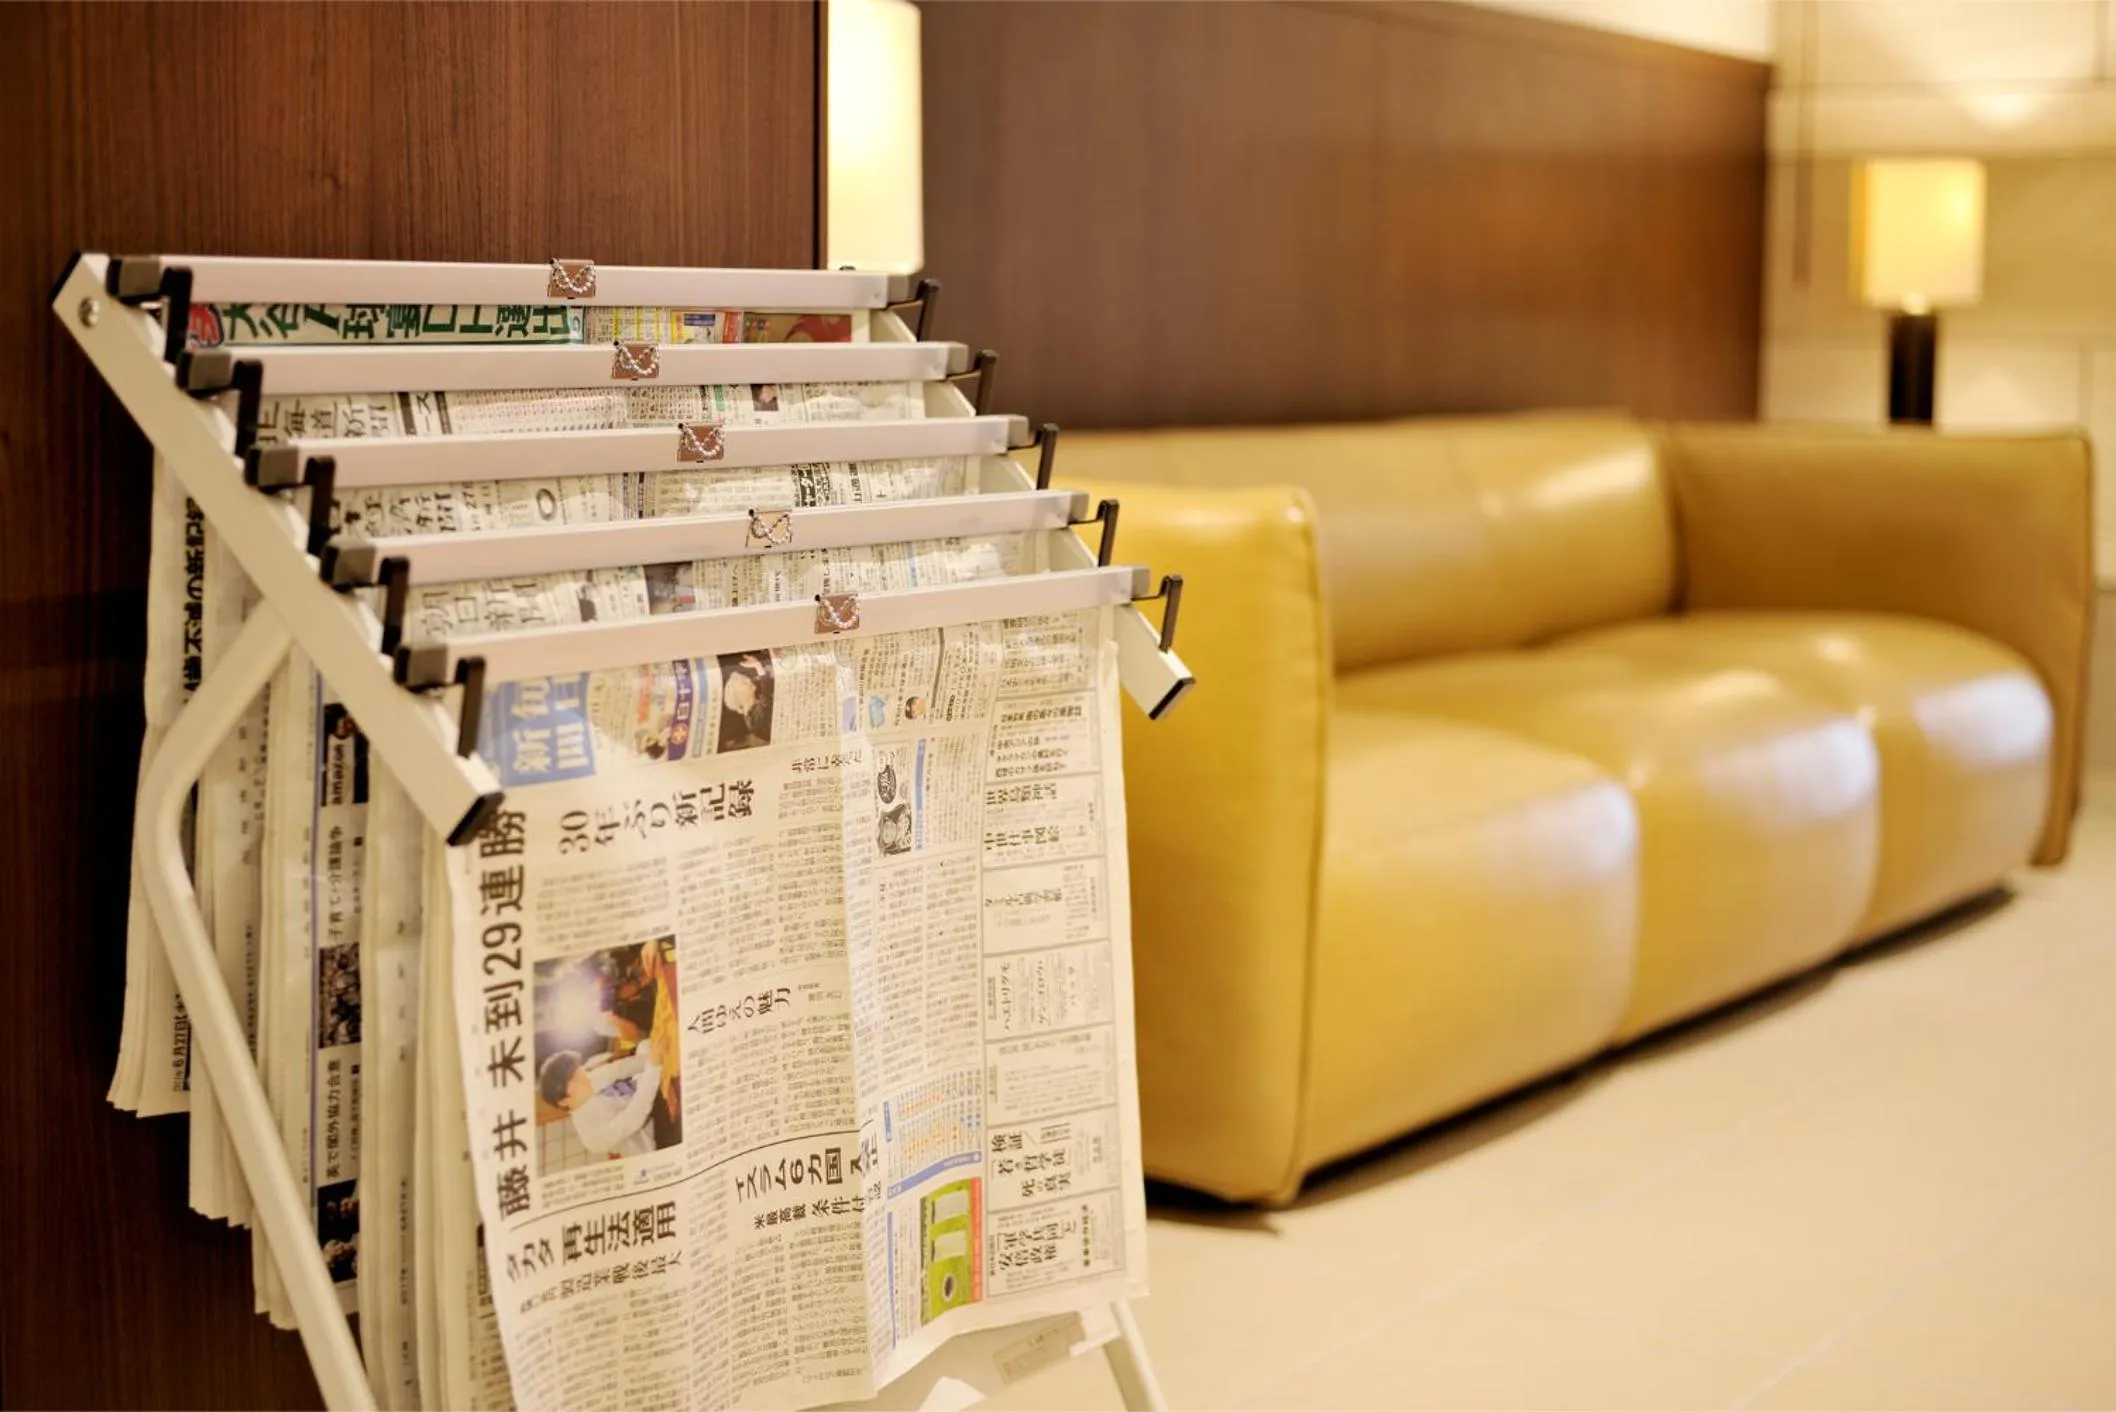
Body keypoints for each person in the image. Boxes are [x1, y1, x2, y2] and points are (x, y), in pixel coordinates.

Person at [538, 1049, 664, 1159]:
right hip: (656, 1137)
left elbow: (621, 1068)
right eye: (573, 1078)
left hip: (654, 1096)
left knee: (646, 1045)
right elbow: (634, 1118)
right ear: (564, 1101)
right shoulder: (590, 1134)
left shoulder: (588, 1079)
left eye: (577, 1070)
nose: (582, 1074)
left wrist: (657, 1056)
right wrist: (653, 1066)